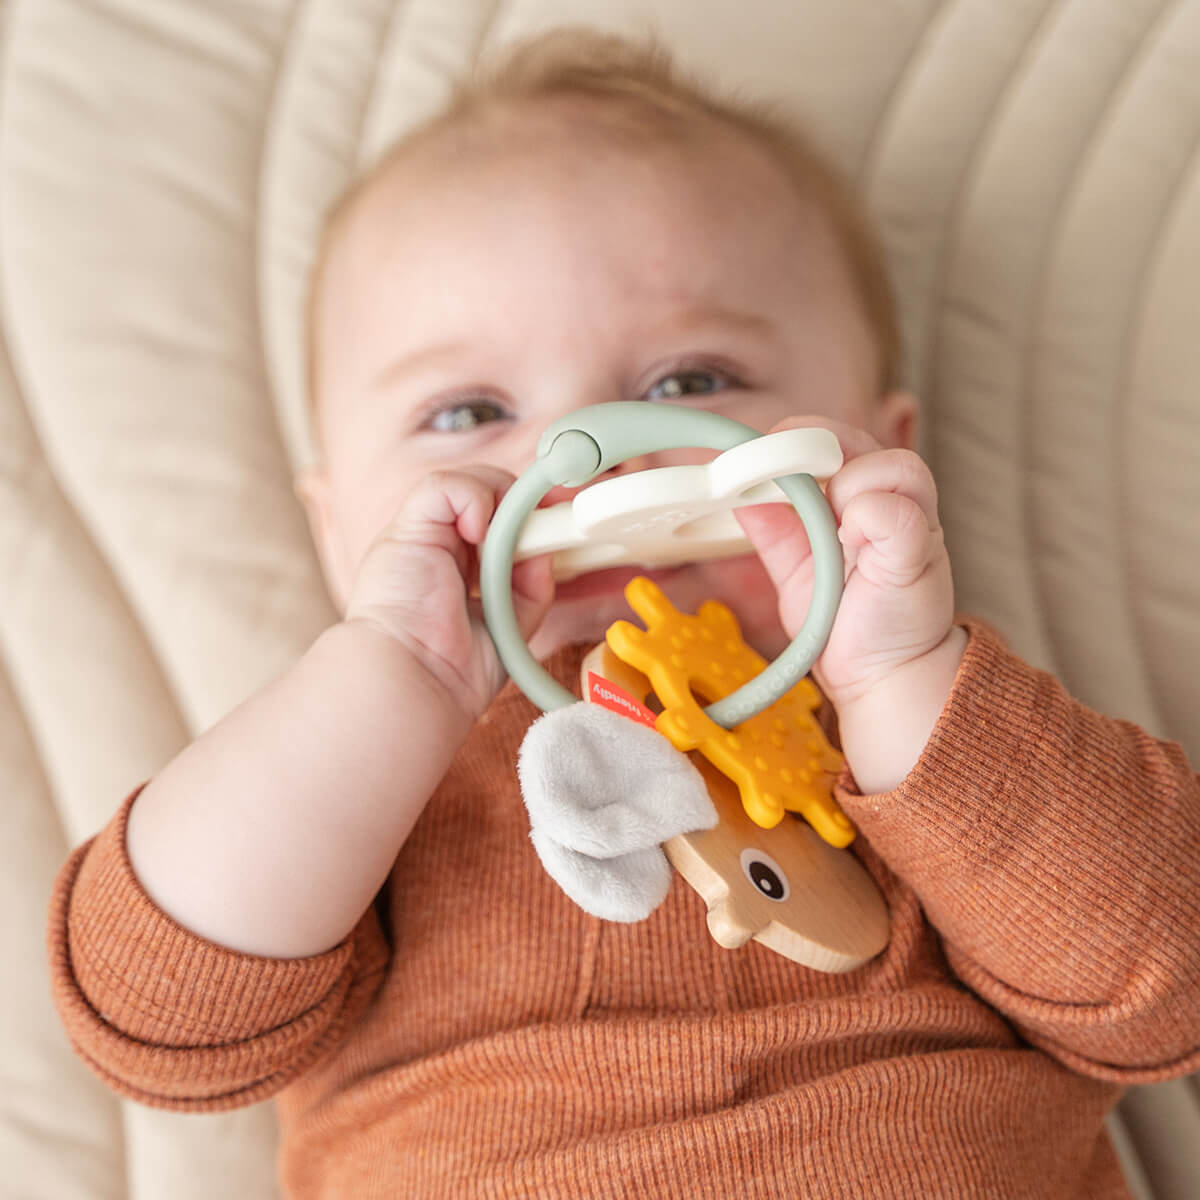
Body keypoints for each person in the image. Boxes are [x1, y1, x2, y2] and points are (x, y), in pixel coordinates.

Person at [47, 29, 1199, 1199]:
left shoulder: (920, 729)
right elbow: (158, 1023)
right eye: (468, 411)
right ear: (337, 525)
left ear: (880, 451)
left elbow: (1170, 986)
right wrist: (383, 682)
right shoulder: (378, 772)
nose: (585, 461)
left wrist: (907, 677)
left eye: (689, 386)